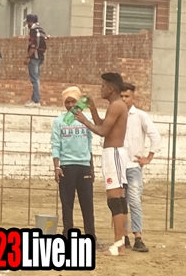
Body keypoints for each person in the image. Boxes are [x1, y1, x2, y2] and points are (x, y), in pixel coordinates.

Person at [75, 73, 131, 256]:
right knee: (118, 199)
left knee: (115, 200)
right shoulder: (115, 106)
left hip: (113, 153)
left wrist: (84, 121)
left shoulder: (116, 105)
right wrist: (92, 110)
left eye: (103, 86)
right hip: (113, 153)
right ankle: (120, 242)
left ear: (111, 88)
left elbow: (102, 131)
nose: (101, 89)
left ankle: (119, 245)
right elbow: (102, 125)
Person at [119, 82, 162, 253]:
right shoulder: (115, 114)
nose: (124, 99)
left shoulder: (141, 116)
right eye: (121, 96)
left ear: (133, 97)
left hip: (133, 165)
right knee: (120, 203)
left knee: (134, 201)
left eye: (127, 96)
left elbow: (155, 136)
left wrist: (149, 157)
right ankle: (123, 236)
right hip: (118, 165)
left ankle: (138, 237)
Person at [51, 86, 95, 238]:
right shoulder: (59, 121)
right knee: (67, 204)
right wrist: (57, 167)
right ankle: (67, 235)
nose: (70, 105)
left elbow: (89, 144)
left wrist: (91, 167)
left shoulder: (86, 120)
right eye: (67, 102)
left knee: (87, 204)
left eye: (73, 101)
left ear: (79, 102)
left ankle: (91, 236)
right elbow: (55, 145)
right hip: (66, 166)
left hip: (84, 166)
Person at [24, 14, 47, 105]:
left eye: (27, 22)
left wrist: (28, 57)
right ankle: (34, 99)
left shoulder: (33, 30)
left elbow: (33, 45)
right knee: (37, 78)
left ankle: (36, 100)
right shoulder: (41, 30)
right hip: (41, 57)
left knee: (35, 79)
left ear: (30, 22)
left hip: (35, 57)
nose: (27, 24)